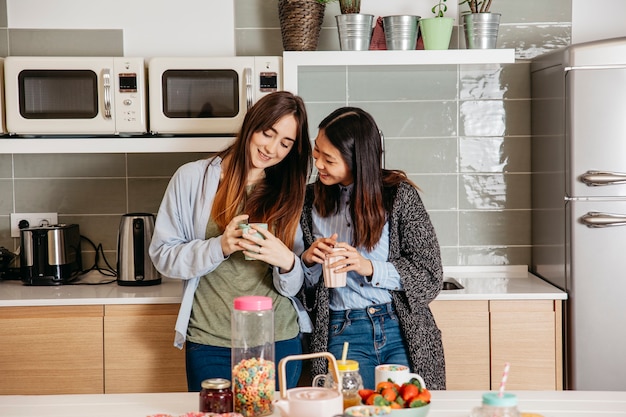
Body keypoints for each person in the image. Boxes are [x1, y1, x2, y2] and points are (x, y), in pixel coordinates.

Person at [149, 91, 313, 391]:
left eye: (285, 144)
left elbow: (297, 283)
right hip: (210, 340)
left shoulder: (290, 192)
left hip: (278, 339)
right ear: (252, 125)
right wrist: (220, 246)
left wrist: (288, 262)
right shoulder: (192, 178)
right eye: (268, 133)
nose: (272, 149)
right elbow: (162, 255)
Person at [299, 107, 446, 390]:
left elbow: (430, 277)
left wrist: (368, 267)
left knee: (407, 410)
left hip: (400, 328)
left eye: (329, 159)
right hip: (340, 331)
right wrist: (308, 260)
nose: (318, 164)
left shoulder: (399, 195)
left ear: (358, 161)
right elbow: (301, 291)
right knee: (350, 409)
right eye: (317, 152)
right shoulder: (309, 202)